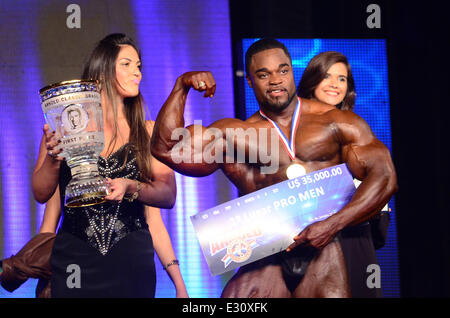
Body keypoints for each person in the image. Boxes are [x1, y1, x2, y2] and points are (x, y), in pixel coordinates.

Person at [150, 38, 397, 297]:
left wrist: (331, 226)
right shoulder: (235, 134)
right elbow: (167, 149)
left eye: (283, 71)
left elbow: (385, 176)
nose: (276, 80)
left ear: (292, 71)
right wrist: (181, 86)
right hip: (266, 254)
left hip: (325, 250)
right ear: (250, 81)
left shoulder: (334, 121)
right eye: (264, 74)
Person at [31, 33, 187, 298]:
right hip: (73, 262)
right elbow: (43, 199)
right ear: (101, 72)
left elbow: (161, 208)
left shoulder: (146, 132)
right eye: (126, 64)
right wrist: (42, 272)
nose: (136, 72)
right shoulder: (66, 128)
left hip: (130, 263)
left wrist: (180, 287)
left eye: (138, 66)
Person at [297, 51, 390, 297]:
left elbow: (381, 183)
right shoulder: (288, 128)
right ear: (312, 81)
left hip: (352, 234)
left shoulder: (357, 128)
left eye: (342, 78)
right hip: (306, 239)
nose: (335, 85)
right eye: (327, 76)